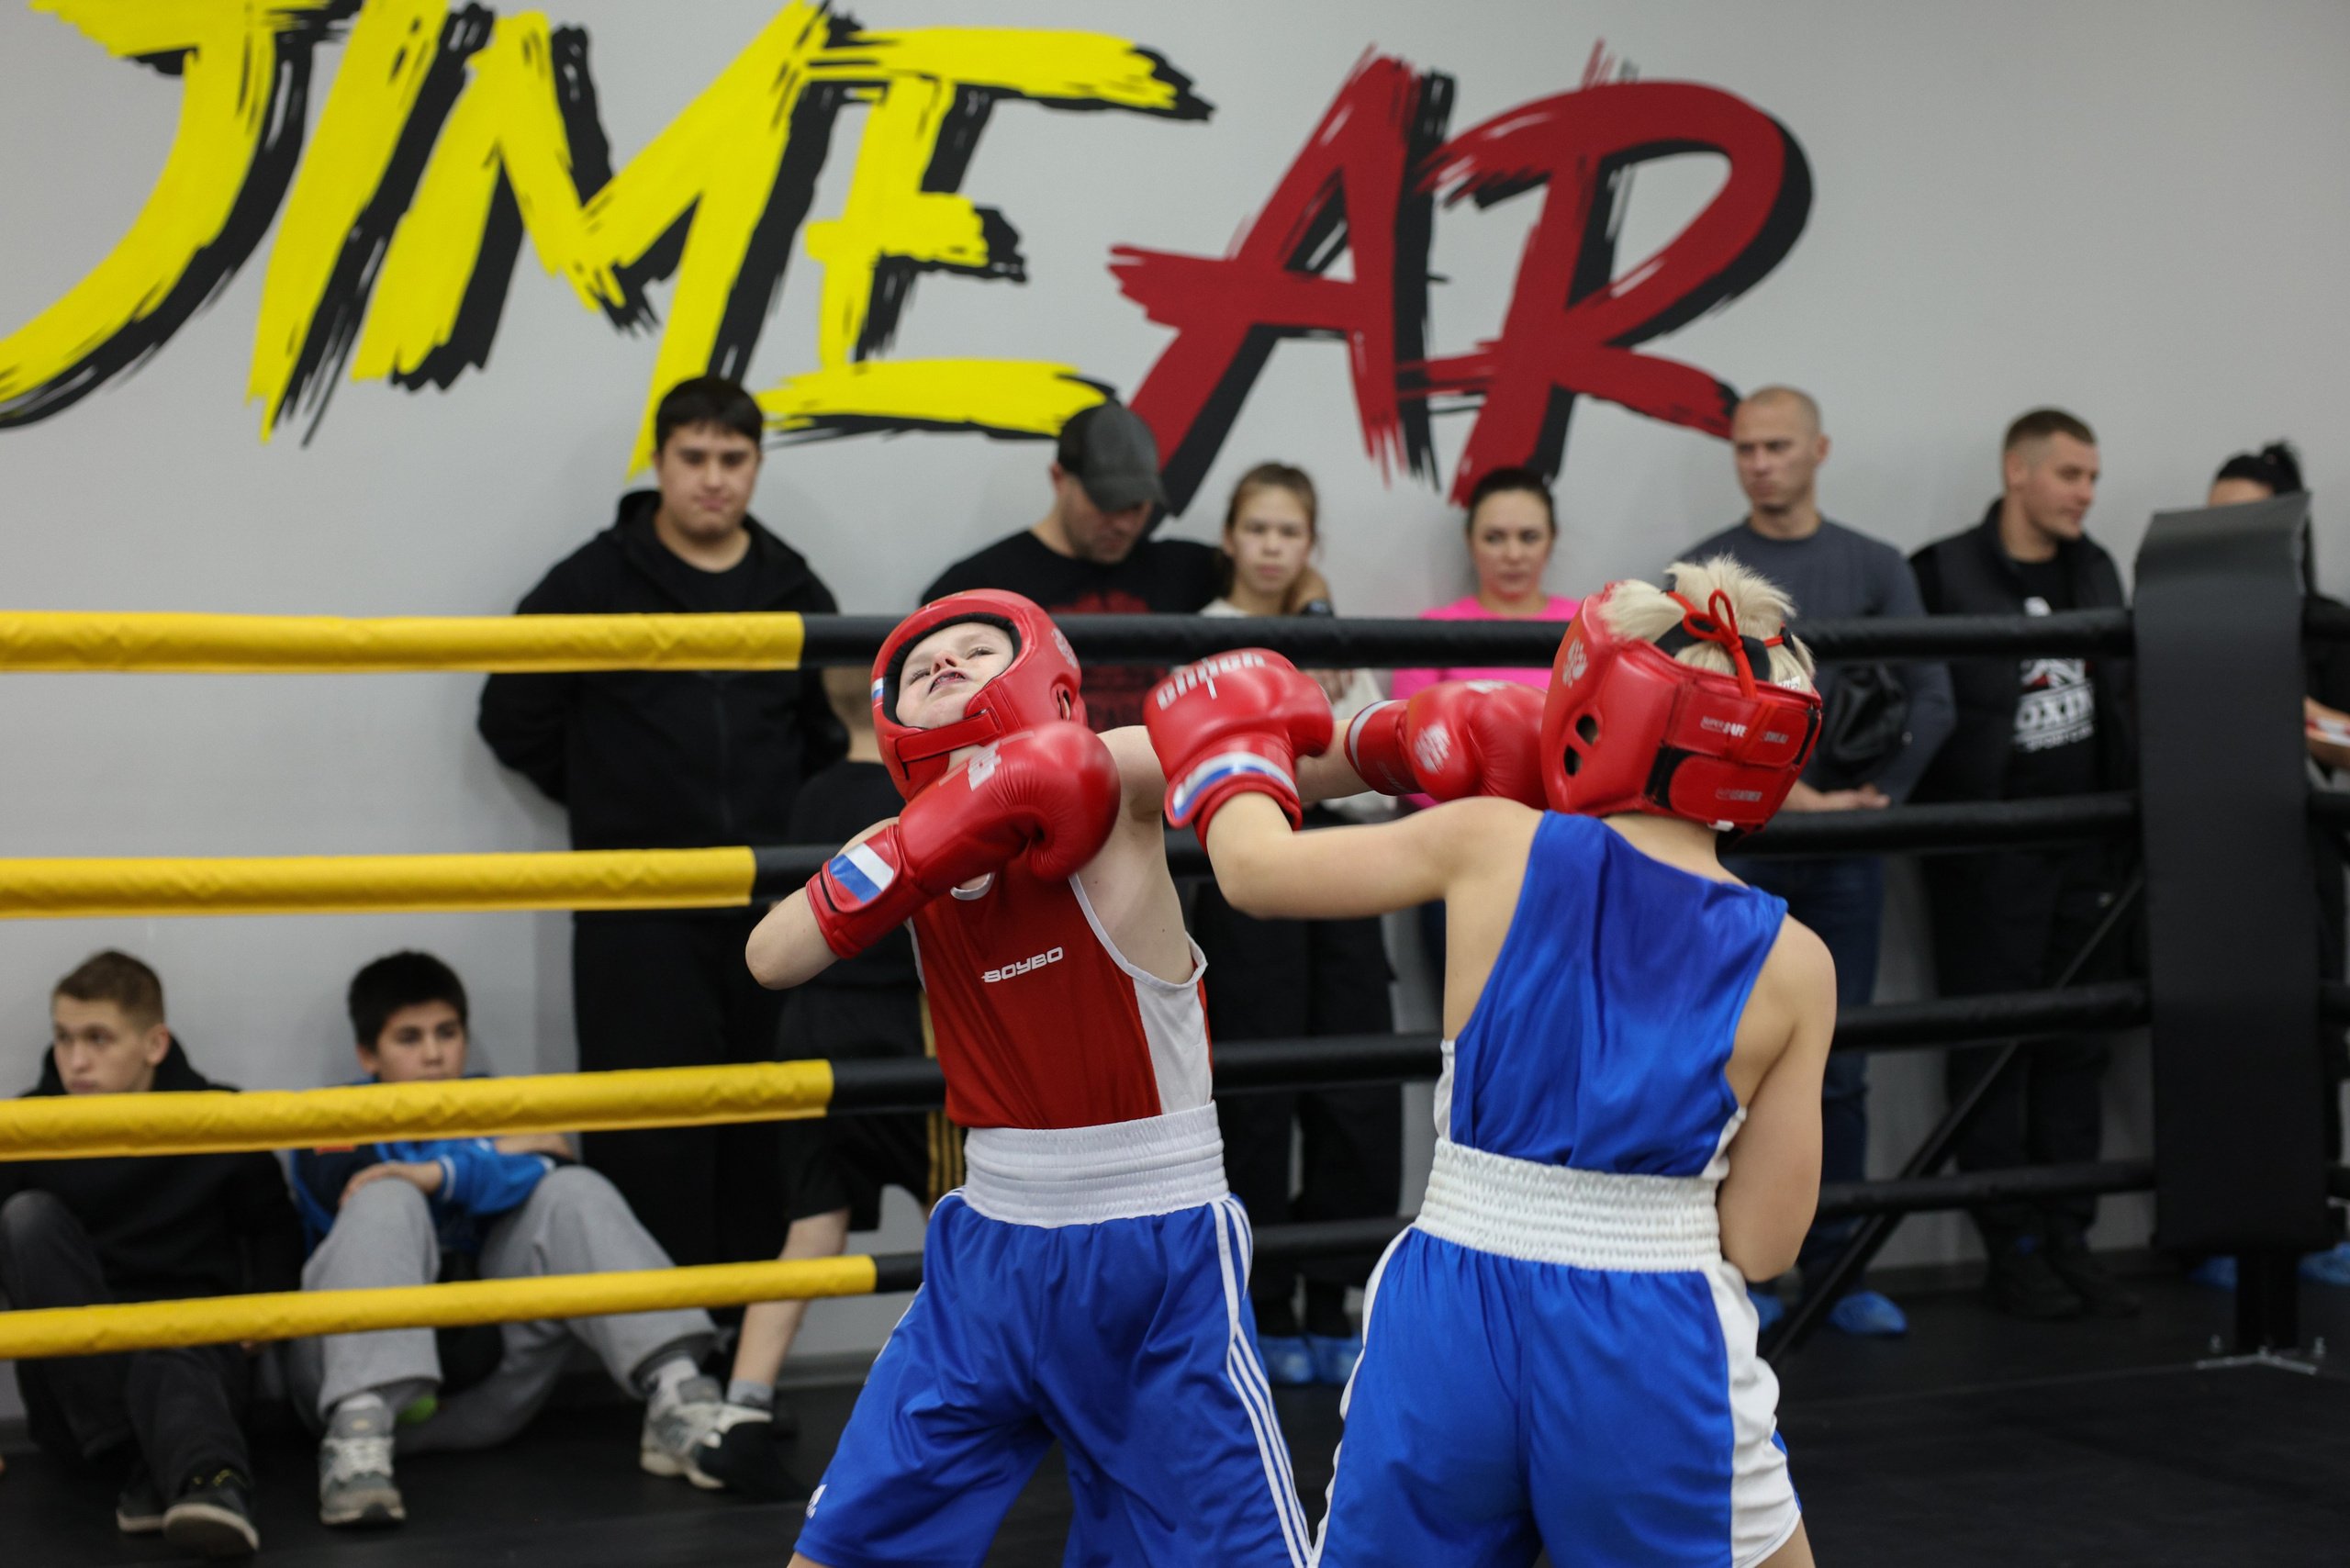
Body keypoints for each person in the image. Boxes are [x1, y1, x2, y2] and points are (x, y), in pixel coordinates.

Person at [1146, 558, 1832, 1567]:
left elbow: (1249, 869)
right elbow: (1765, 1243)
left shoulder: (1490, 843)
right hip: (1651, 1325)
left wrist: (1229, 736)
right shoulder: (1793, 963)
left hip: (1451, 1296)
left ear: (1601, 702)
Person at [745, 589, 1312, 1568]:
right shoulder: (896, 844)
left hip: (1152, 1247)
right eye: (923, 664)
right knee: (846, 1546)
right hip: (989, 1246)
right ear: (892, 719)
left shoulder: (1109, 776)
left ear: (1040, 677)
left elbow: (1303, 750)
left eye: (976, 647)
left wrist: (1401, 737)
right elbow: (770, 954)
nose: (947, 662)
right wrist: (922, 843)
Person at [478, 375, 845, 1271]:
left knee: (768, 1123)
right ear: (658, 461)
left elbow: (832, 738)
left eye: (733, 459)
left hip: (771, 903)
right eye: (694, 457)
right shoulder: (591, 579)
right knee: (650, 1130)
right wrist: (618, 798)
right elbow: (509, 716)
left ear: (755, 465)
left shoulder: (794, 584)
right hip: (634, 905)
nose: (713, 478)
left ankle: (741, 1366)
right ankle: (662, 1358)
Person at [1686, 386, 1956, 1338]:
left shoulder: (1874, 565)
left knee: (1836, 1065)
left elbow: (1931, 693)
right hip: (1739, 848)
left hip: (1845, 848)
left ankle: (1839, 1265)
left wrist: (1876, 797)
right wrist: (1780, 794)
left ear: (1817, 450)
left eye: (1776, 446)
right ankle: (1727, 1272)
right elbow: (1684, 710)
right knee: (1719, 1061)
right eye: (1745, 448)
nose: (1759, 462)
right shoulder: (1703, 577)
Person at [285, 952, 729, 1528]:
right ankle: (358, 1440)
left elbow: (554, 1157)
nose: (433, 1054)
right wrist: (482, 1164)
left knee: (572, 1193)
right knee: (386, 1199)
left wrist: (442, 1173)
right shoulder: (331, 1118)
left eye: (447, 1032)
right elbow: (346, 1185)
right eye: (409, 1038)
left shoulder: (496, 1101)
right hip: (342, 1403)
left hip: (489, 1396)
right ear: (368, 1054)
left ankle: (678, 1398)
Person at [691, 667, 961, 1500]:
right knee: (952, 1221)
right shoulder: (925, 797)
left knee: (812, 1227)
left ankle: (741, 1408)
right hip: (899, 1029)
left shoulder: (809, 795)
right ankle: (968, 1396)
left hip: (808, 1028)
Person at [1910, 408, 2138, 1322]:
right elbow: (1922, 704)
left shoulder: (2095, 567)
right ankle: (2012, 1247)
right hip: (1989, 854)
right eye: (2072, 474)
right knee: (1994, 1049)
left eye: (2091, 476)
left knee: (2075, 1045)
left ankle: (2069, 1235)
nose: (2087, 491)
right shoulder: (1943, 571)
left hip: (2087, 841)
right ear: (2019, 471)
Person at [1195, 463, 1398, 1387]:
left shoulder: (1342, 640)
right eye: (1258, 528)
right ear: (1230, 537)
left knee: (1355, 1078)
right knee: (1258, 1085)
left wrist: (1321, 697)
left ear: (1308, 542)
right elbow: (1200, 778)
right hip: (1251, 878)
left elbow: (1380, 780)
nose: (1273, 546)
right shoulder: (1202, 639)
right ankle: (1265, 1291)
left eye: (1289, 531)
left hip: (1348, 869)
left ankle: (1337, 1288)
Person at [0, 952, 305, 1558]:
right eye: (63, 1038)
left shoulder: (219, 1116)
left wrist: (266, 1309)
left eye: (98, 1039)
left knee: (175, 1334)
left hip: (190, 1367)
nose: (76, 1060)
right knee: (25, 1218)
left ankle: (205, 1484)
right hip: (80, 1398)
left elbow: (276, 1227)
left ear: (154, 1043)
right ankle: (158, 1460)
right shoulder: (26, 1127)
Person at [2196, 442, 2350, 1291]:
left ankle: (2318, 1223)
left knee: (2316, 1038)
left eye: (2245, 518)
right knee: (2217, 1033)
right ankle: (2220, 1228)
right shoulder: (2180, 619)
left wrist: (2298, 714)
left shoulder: (2323, 619)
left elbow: (2349, 744)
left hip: (2305, 854)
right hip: (2206, 859)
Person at [920, 400, 1223, 730]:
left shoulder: (1186, 569)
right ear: (1058, 478)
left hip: (1166, 776)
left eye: (1136, 505)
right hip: (1041, 777)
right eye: (1106, 503)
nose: (1123, 524)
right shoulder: (983, 584)